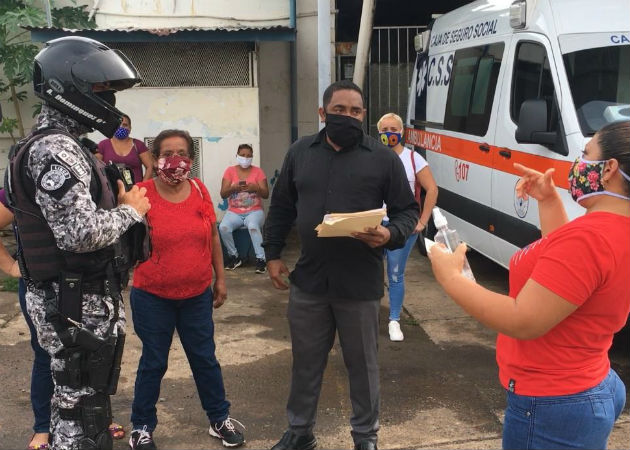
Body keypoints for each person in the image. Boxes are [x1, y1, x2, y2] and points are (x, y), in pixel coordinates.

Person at [429, 120, 630, 449]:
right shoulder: (610, 229)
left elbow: (523, 319)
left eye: (586, 153)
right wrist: (549, 201)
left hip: (555, 402)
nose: (579, 164)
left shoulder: (591, 237)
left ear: (608, 169)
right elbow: (567, 283)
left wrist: (452, 279)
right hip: (590, 382)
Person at [6, 37, 150, 450]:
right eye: (103, 91)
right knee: (79, 414)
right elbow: (80, 234)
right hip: (71, 300)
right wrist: (132, 210)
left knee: (81, 402)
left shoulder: (73, 145)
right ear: (72, 91)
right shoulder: (55, 147)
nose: (111, 102)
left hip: (79, 296)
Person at [263, 80, 419, 450]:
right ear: (323, 113)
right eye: (339, 110)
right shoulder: (300, 153)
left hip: (359, 283)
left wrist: (390, 234)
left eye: (355, 111)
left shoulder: (382, 158)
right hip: (310, 281)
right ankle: (300, 433)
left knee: (363, 368)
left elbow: (407, 210)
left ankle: (365, 438)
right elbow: (282, 206)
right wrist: (271, 255)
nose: (348, 117)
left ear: (364, 115)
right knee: (305, 364)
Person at [128, 129, 245, 450]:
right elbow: (122, 240)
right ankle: (141, 427)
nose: (175, 160)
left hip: (196, 295)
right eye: (167, 153)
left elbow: (212, 237)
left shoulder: (199, 190)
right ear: (155, 158)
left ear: (190, 160)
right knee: (154, 361)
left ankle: (219, 418)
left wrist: (219, 278)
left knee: (205, 359)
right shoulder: (140, 192)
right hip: (152, 296)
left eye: (182, 153)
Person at [0, 190, 128, 448]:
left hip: (90, 283)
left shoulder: (97, 180)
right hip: (43, 285)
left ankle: (98, 419)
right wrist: (10, 266)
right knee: (48, 354)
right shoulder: (29, 179)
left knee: (98, 355)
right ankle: (43, 426)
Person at [377, 113, 438, 341]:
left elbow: (432, 189)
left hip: (402, 227)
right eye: (384, 129)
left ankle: (394, 320)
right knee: (369, 272)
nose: (389, 133)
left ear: (402, 132)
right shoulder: (373, 157)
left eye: (393, 128)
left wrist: (422, 221)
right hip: (374, 223)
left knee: (395, 273)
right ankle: (368, 316)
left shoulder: (414, 160)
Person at [219, 144, 269, 273]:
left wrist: (256, 188)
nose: (245, 158)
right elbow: (223, 193)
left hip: (255, 211)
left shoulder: (258, 172)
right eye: (242, 155)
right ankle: (234, 256)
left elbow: (266, 194)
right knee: (223, 228)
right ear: (237, 155)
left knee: (253, 226)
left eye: (249, 156)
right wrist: (233, 188)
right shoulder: (230, 171)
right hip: (234, 212)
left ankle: (261, 259)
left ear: (252, 157)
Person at [97, 114, 153, 184]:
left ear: (130, 128)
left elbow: (150, 167)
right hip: (111, 191)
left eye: (125, 125)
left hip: (134, 191)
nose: (121, 127)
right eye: (118, 124)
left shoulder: (139, 145)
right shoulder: (103, 145)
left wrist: (142, 186)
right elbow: (96, 168)